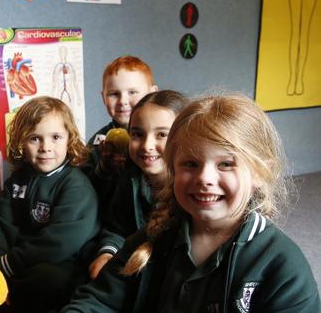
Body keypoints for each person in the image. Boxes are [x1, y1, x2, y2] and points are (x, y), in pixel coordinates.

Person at [62, 94, 321, 312]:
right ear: (172, 169)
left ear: (260, 173)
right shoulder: (152, 239)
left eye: (226, 164)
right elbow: (98, 300)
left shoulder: (283, 265)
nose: (205, 178)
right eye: (191, 164)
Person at [0, 96, 100, 312]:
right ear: (21, 142)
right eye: (35, 138)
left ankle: (9, 298)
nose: (45, 147)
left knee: (49, 279)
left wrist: (9, 264)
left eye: (55, 137)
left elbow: (59, 242)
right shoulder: (18, 179)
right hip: (19, 255)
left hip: (61, 261)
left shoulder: (75, 185)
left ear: (69, 139)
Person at [88, 90, 189, 279]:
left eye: (162, 134)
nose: (146, 145)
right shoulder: (130, 181)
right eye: (137, 134)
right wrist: (107, 253)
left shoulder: (192, 190)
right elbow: (117, 228)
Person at [84, 56, 158, 208]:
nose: (122, 101)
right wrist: (104, 169)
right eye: (114, 94)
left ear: (152, 93)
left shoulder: (166, 136)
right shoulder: (97, 143)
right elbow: (86, 193)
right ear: (103, 98)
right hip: (111, 220)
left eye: (132, 92)